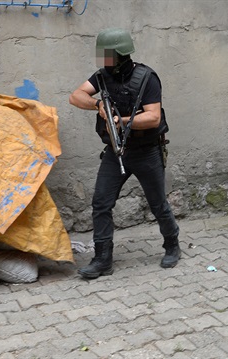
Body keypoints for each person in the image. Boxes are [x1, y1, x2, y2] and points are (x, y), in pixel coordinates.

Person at [69, 28, 180, 278]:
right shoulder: (102, 76)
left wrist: (121, 121)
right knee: (101, 202)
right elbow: (75, 96)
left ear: (120, 54)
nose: (104, 60)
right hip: (115, 150)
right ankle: (102, 259)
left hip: (146, 151)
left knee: (158, 203)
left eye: (108, 55)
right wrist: (99, 104)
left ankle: (172, 243)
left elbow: (153, 117)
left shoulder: (146, 78)